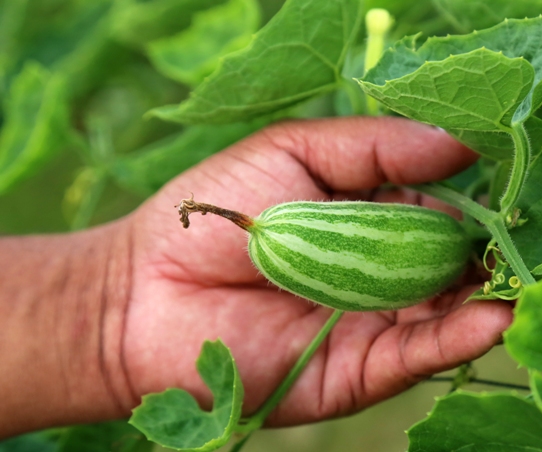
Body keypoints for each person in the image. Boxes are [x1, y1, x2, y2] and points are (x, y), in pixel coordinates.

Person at [0, 116, 513, 439]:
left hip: (433, 251)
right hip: (433, 254)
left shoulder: (276, 241)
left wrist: (115, 299)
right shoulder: (274, 243)